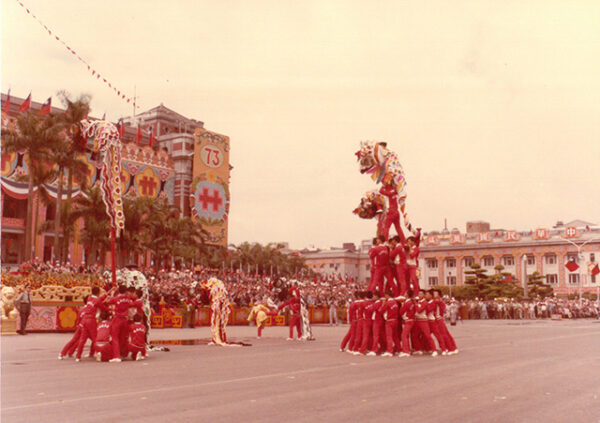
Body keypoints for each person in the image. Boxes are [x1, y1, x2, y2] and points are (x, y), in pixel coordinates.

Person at [379, 175, 406, 243]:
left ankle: (385, 242)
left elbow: (381, 191)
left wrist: (384, 185)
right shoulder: (394, 190)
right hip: (397, 212)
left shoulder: (389, 192)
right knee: (398, 228)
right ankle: (404, 242)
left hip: (391, 211)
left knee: (386, 228)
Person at [414, 290, 438, 357]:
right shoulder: (419, 302)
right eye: (418, 294)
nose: (419, 295)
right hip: (417, 320)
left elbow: (419, 310)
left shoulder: (424, 302)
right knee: (415, 335)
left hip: (423, 320)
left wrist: (416, 304)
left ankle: (434, 350)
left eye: (421, 294)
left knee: (428, 335)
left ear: (424, 295)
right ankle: (419, 349)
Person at [381, 291, 401, 357]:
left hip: (389, 321)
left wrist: (383, 304)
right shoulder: (395, 302)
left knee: (389, 336)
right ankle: (399, 350)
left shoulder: (388, 303)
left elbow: (381, 310)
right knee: (395, 337)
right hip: (395, 320)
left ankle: (390, 351)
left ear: (387, 295)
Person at [398, 290, 416, 357]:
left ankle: (406, 351)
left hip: (408, 320)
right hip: (411, 320)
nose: (404, 293)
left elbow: (401, 312)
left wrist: (402, 305)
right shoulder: (411, 302)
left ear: (407, 295)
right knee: (406, 336)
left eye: (405, 293)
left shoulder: (407, 303)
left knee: (403, 335)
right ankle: (407, 350)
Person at [405, 230, 422, 296]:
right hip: (407, 266)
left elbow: (412, 256)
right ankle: (408, 294)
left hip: (414, 266)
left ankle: (416, 294)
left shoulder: (416, 248)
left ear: (413, 242)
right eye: (407, 242)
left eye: (409, 242)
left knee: (414, 281)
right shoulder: (408, 248)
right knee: (407, 282)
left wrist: (409, 249)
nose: (408, 243)